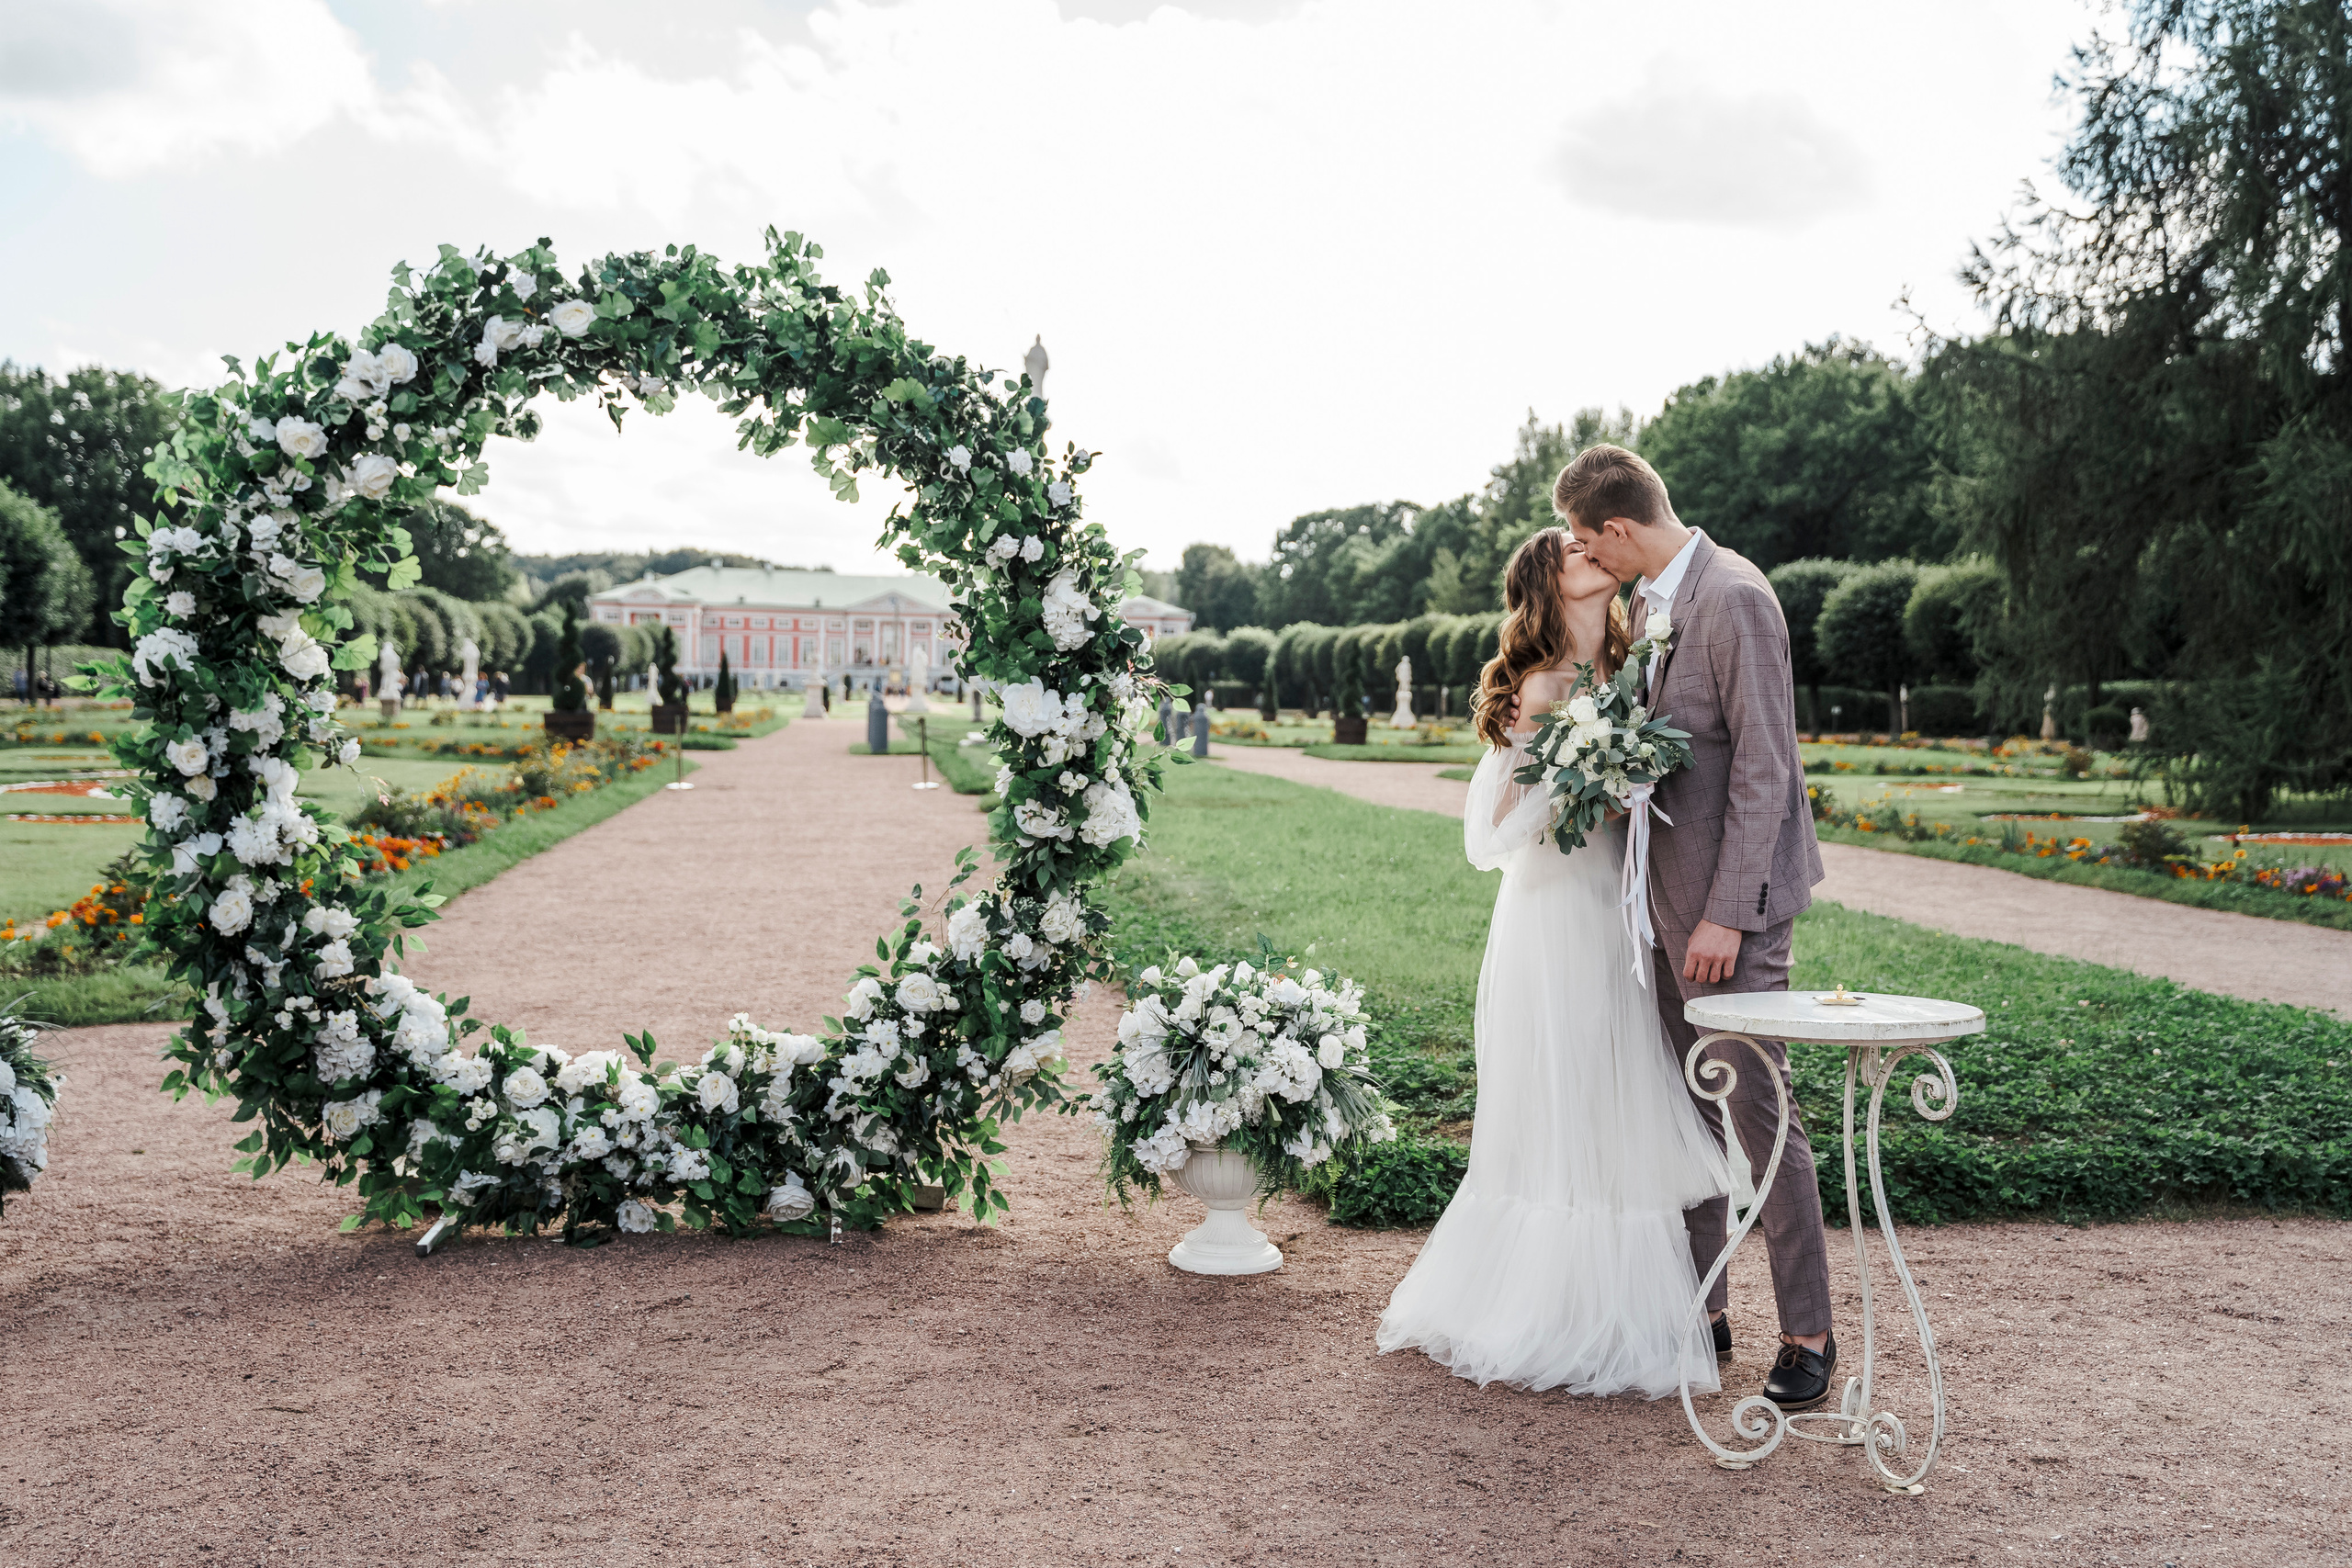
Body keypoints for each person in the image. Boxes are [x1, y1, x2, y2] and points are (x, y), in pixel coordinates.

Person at [1376, 526, 1729, 1398]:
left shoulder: (1631, 666)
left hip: (1619, 904)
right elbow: (1500, 824)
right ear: (1548, 584)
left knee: (1617, 1086)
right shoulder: (1542, 684)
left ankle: (1628, 1300)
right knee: (1569, 1083)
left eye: (1590, 545)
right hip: (1557, 908)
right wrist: (1588, 785)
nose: (1591, 554)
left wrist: (1626, 782)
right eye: (1572, 554)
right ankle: (1551, 1305)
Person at [1555, 444, 1838, 1411]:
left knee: (1760, 1116)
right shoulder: (1649, 606)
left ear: (1618, 528)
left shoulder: (1737, 598)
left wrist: (1726, 914)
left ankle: (1808, 1334)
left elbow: (1767, 769)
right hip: (1658, 906)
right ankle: (1704, 1309)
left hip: (1729, 916)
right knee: (1686, 1112)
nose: (1589, 556)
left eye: (1590, 541)